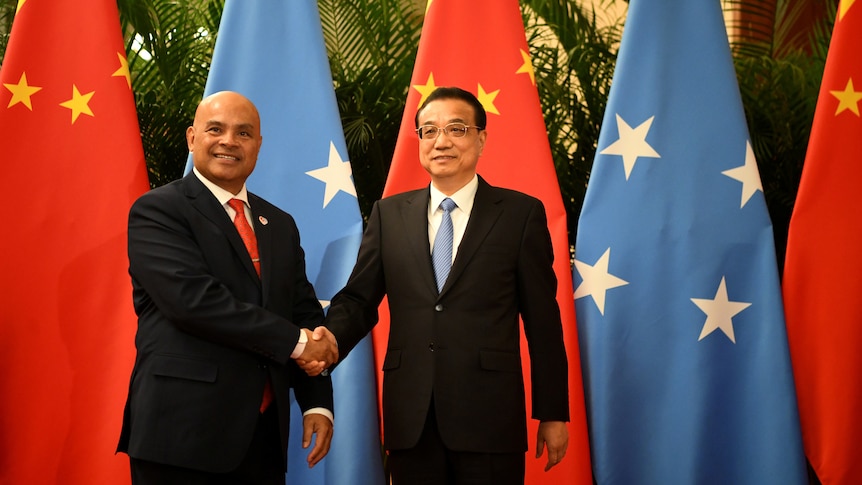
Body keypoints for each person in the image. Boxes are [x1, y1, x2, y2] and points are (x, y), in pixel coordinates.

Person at [303, 86, 570, 484]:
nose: (440, 141)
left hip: (489, 418)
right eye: (428, 131)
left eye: (456, 129)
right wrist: (330, 340)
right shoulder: (388, 214)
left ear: (481, 138)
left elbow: (543, 321)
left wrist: (552, 411)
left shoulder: (520, 215)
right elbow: (360, 298)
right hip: (412, 418)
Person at [117, 91, 338, 484]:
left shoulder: (279, 224)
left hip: (263, 439)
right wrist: (302, 344)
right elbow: (195, 303)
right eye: (215, 129)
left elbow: (302, 310)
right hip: (181, 437)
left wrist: (316, 403)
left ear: (258, 145)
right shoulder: (159, 211)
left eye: (244, 133)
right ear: (191, 137)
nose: (229, 141)